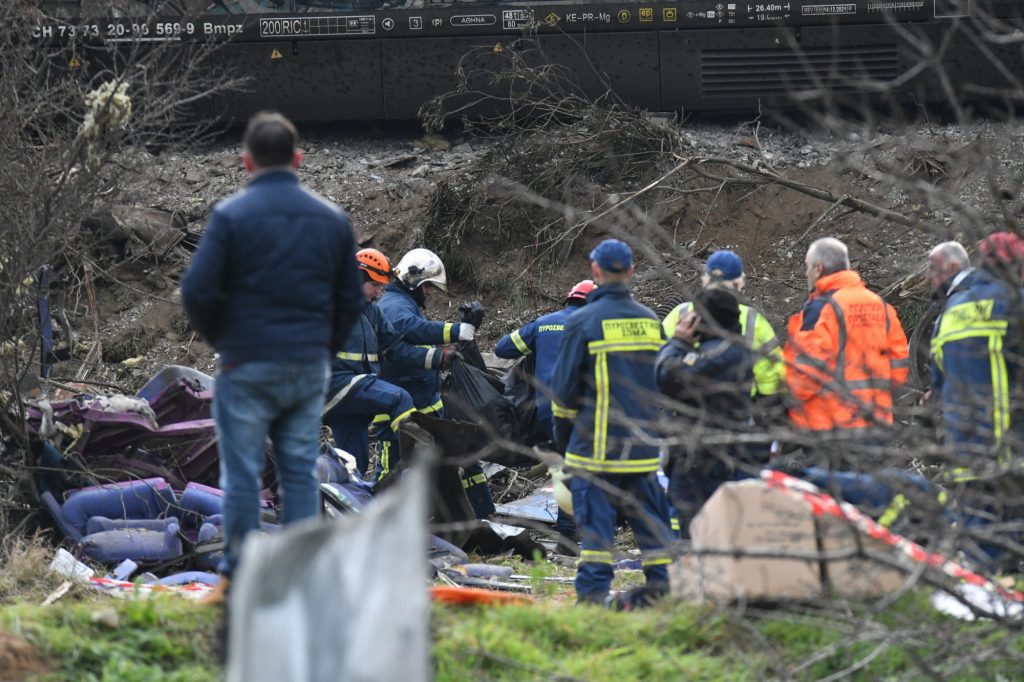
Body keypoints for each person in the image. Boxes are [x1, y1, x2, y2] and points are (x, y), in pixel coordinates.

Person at [181, 112, 364, 591]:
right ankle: (298, 576)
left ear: (247, 161)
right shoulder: (332, 220)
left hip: (246, 363)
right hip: (306, 365)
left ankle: (240, 577)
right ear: (298, 159)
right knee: (299, 470)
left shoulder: (230, 216)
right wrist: (325, 346)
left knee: (241, 472)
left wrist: (223, 340)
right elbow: (351, 300)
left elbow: (196, 291)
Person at [549, 239, 674, 608]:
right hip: (643, 452)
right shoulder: (651, 322)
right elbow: (665, 384)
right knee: (653, 531)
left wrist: (566, 445)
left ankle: (592, 600)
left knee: (597, 537)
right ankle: (663, 594)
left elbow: (562, 397)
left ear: (595, 271)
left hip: (596, 452)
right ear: (632, 272)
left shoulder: (582, 321)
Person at [323, 248, 459, 479]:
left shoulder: (372, 312)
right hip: (338, 384)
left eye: (381, 286)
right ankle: (415, 455)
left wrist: (439, 358)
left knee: (353, 464)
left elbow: (396, 349)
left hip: (351, 396)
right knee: (399, 397)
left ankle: (335, 497)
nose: (378, 292)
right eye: (374, 285)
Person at [377, 248, 494, 517]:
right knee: (392, 468)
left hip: (422, 404)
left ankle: (481, 514)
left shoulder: (405, 304)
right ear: (412, 280)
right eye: (427, 286)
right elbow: (414, 331)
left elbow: (414, 346)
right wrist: (459, 331)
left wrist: (443, 358)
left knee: (457, 457)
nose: (430, 293)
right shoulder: (394, 306)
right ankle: (377, 521)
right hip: (401, 409)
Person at [495, 279, 595, 545]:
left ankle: (572, 528)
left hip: (547, 410)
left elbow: (503, 348)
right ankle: (572, 530)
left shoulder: (544, 323)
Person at [783, 237, 910, 441]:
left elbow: (807, 371)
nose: (806, 274)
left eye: (807, 267)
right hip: (878, 421)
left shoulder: (821, 308)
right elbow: (900, 360)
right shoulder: (878, 305)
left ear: (818, 268)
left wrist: (789, 405)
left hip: (835, 426)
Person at [656, 287, 756, 535]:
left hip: (702, 461)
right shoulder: (732, 349)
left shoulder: (717, 355)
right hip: (718, 455)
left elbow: (665, 378)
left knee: (696, 531)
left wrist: (678, 342)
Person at [930, 232, 1024, 459]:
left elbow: (938, 380)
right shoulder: (1016, 301)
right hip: (1010, 454)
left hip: (961, 453)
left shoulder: (951, 308)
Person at [661, 250, 784, 407]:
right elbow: (772, 380)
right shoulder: (754, 320)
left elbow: (657, 365)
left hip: (685, 409)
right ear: (739, 284)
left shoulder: (681, 314)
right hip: (739, 408)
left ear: (704, 280)